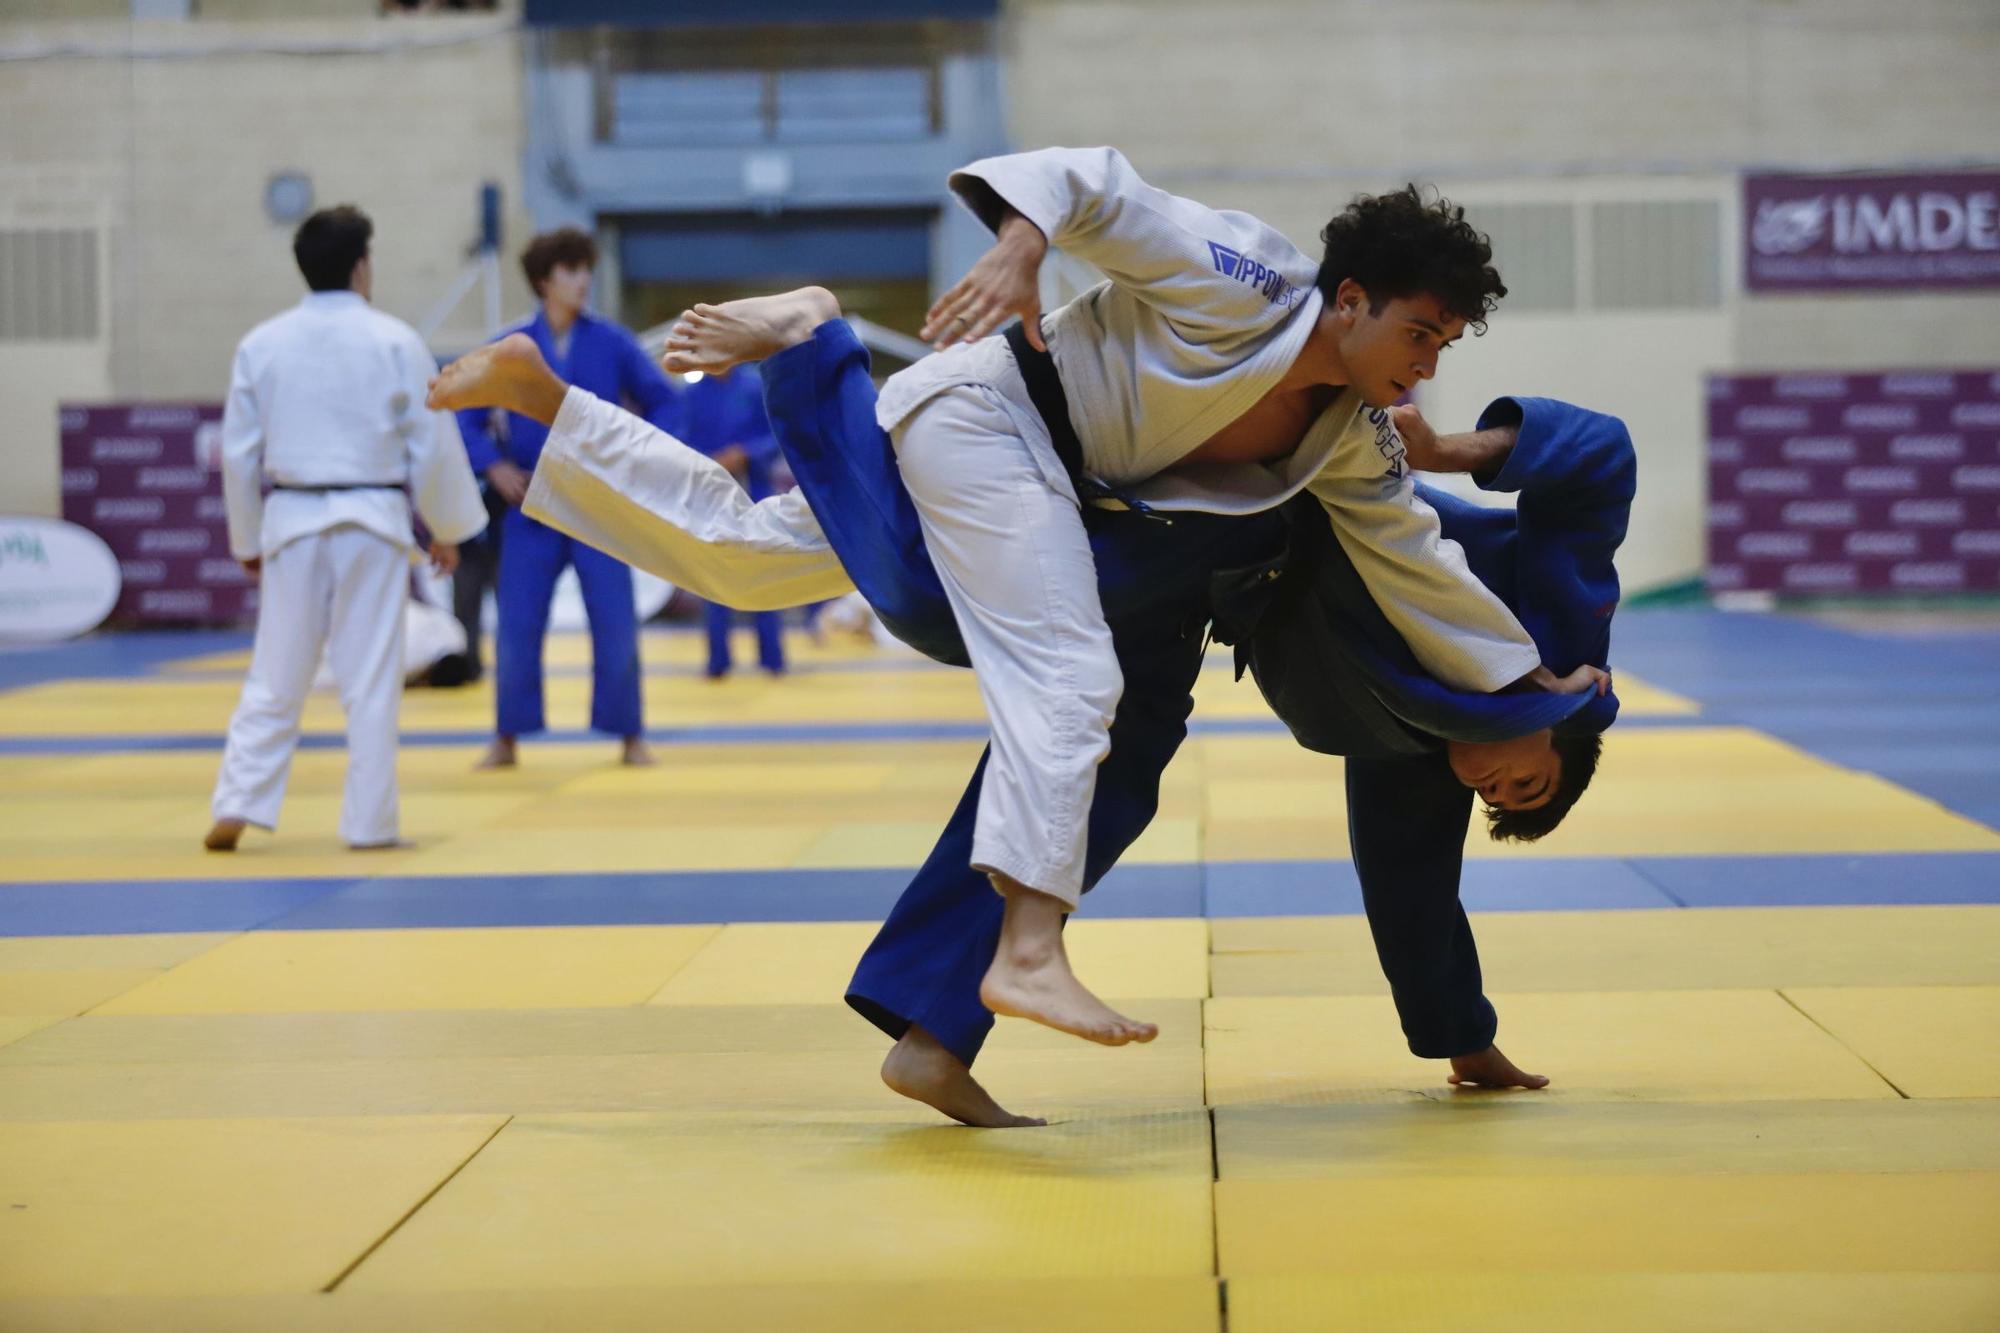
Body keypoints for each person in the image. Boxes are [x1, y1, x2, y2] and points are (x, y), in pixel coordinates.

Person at [424, 304, 1625, 1126]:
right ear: (1567, 726)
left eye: (1498, 802)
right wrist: (1456, 447)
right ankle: (815, 348)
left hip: (1188, 581)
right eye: (1524, 781)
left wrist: (1466, 1041)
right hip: (1160, 506)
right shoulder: (1557, 634)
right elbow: (1600, 461)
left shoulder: (1422, 751)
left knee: (756, 558)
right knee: (936, 614)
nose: (1489, 783)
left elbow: (1415, 898)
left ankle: (550, 401)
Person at [661, 148, 1578, 1049]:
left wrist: (1525, 676)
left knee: (744, 557)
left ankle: (935, 1031)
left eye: (1442, 345)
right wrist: (1022, 245)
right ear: (1349, 299)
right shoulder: (1248, 278)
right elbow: (1097, 187)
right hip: (994, 423)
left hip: (1095, 523)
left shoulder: (1354, 435)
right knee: (1044, 666)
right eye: (1417, 333)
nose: (1426, 366)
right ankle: (814, 345)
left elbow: (1416, 559)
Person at [206, 205, 486, 853]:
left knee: (276, 672)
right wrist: (445, 527)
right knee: (370, 680)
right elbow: (431, 442)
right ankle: (370, 825)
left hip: (292, 518)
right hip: (372, 521)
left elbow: (238, 456)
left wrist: (247, 540)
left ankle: (237, 801)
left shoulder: (261, 343)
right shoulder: (395, 340)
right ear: (362, 266)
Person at [453, 227, 683, 770]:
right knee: (516, 626)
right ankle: (506, 736)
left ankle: (630, 734)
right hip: (531, 502)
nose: (583, 281)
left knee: (616, 622)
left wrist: (636, 457)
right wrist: (494, 465)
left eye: (586, 270)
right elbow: (465, 415)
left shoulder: (613, 343)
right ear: (544, 281)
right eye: (571, 271)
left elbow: (666, 403)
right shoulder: (513, 347)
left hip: (597, 503)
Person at [681, 365, 787, 678]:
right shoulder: (691, 394)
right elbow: (681, 439)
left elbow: (776, 435)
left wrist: (745, 454)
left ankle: (772, 659)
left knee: (763, 575)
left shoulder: (755, 386)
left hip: (755, 492)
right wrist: (711, 461)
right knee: (714, 576)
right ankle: (718, 661)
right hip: (711, 494)